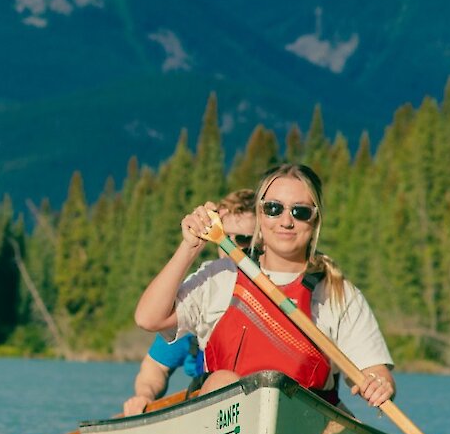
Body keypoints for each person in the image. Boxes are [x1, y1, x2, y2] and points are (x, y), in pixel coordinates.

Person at [133, 163, 395, 409]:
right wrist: (189, 248)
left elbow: (374, 370)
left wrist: (378, 383)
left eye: (300, 212)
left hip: (304, 427)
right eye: (273, 208)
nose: (286, 221)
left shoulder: (339, 293)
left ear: (315, 221)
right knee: (222, 381)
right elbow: (149, 318)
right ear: (259, 214)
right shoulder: (221, 277)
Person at [121, 188, 258, 415]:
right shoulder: (206, 292)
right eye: (224, 237)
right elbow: (155, 366)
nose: (229, 248)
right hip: (212, 405)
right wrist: (144, 396)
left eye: (241, 240)